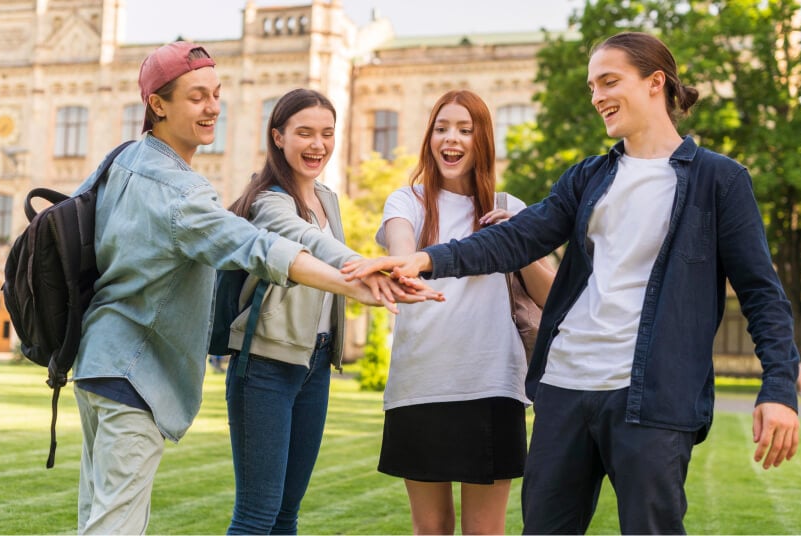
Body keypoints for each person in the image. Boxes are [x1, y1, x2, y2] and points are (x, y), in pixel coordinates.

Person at [343, 32, 801, 534]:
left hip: (652, 397)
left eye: (609, 81)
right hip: (564, 387)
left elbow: (761, 295)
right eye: (592, 87)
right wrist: (425, 259)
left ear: (655, 82)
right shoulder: (588, 178)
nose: (597, 96)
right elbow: (515, 239)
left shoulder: (719, 181)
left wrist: (778, 389)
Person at [70, 42, 438, 535]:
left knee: (102, 519)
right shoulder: (184, 193)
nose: (213, 107)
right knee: (116, 526)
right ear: (157, 104)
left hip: (100, 363)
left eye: (216, 94)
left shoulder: (122, 161)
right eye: (197, 97)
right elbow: (259, 246)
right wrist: (353, 281)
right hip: (133, 369)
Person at [222, 88, 440, 534]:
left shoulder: (327, 197)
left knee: (287, 513)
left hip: (316, 364)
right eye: (304, 133)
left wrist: (374, 272)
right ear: (278, 137)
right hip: (264, 365)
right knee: (256, 515)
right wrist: (367, 268)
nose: (317, 145)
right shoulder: (267, 201)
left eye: (327, 133)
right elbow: (311, 243)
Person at [370, 89, 554, 535]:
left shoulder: (509, 208)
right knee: (431, 529)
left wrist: (518, 240)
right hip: (420, 384)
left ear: (482, 140)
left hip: (491, 384)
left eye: (465, 130)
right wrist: (405, 266)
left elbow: (552, 297)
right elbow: (401, 250)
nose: (451, 139)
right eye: (441, 128)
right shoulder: (407, 201)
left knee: (484, 531)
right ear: (430, 138)